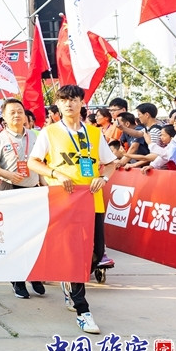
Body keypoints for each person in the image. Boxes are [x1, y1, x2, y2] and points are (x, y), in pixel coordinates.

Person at [27, 84, 116, 335]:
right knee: (74, 255)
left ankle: (68, 280)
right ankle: (82, 311)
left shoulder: (94, 133)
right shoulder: (49, 132)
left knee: (96, 254)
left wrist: (103, 178)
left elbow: (110, 164)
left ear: (81, 103)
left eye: (73, 99)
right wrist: (55, 173)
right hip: (64, 201)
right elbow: (33, 162)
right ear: (58, 104)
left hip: (91, 199)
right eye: (64, 100)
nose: (68, 104)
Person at [0, 98, 45, 299]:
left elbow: (41, 163)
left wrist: (44, 184)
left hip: (33, 191)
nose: (17, 115)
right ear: (4, 116)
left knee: (34, 236)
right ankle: (17, 280)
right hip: (10, 190)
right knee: (15, 236)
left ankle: (35, 274)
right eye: (12, 112)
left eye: (20, 111)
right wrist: (7, 174)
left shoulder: (35, 136)